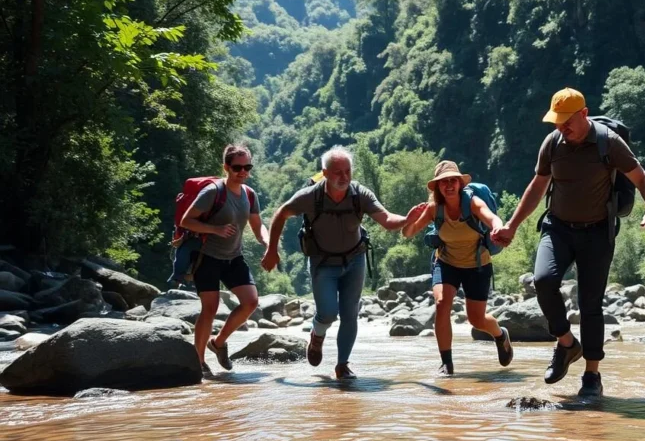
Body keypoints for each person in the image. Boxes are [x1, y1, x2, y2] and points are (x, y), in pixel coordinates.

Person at [491, 88, 645, 397]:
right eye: (556, 122)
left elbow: (643, 178)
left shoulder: (608, 142)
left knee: (590, 304)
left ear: (583, 114)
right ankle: (567, 343)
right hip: (557, 228)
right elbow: (537, 185)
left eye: (566, 121)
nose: (561, 128)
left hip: (597, 232)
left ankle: (592, 376)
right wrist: (512, 226)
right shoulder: (552, 144)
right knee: (543, 281)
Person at [262, 145, 421, 380]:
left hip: (355, 260)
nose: (344, 177)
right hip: (323, 262)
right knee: (327, 313)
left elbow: (386, 219)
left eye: (347, 171)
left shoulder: (361, 195)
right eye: (338, 172)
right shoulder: (310, 196)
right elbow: (281, 214)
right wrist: (272, 249)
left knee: (350, 315)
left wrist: (407, 219)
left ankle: (342, 365)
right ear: (325, 173)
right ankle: (317, 337)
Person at [402, 160, 513, 377]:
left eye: (453, 180)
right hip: (446, 262)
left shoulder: (471, 202)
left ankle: (500, 335)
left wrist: (497, 228)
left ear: (460, 184)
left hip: (477, 264)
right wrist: (409, 220)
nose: (449, 185)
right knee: (442, 303)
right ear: (438, 187)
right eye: (444, 182)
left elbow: (491, 217)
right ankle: (447, 363)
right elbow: (408, 233)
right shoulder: (434, 209)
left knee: (477, 320)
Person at [180, 143, 269, 374]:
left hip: (234, 257)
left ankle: (218, 343)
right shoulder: (213, 192)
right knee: (209, 309)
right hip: (207, 257)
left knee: (250, 302)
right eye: (237, 167)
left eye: (247, 167)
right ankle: (198, 362)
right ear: (226, 167)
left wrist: (268, 244)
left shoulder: (250, 194)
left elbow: (258, 227)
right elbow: (186, 221)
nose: (243, 172)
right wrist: (214, 229)